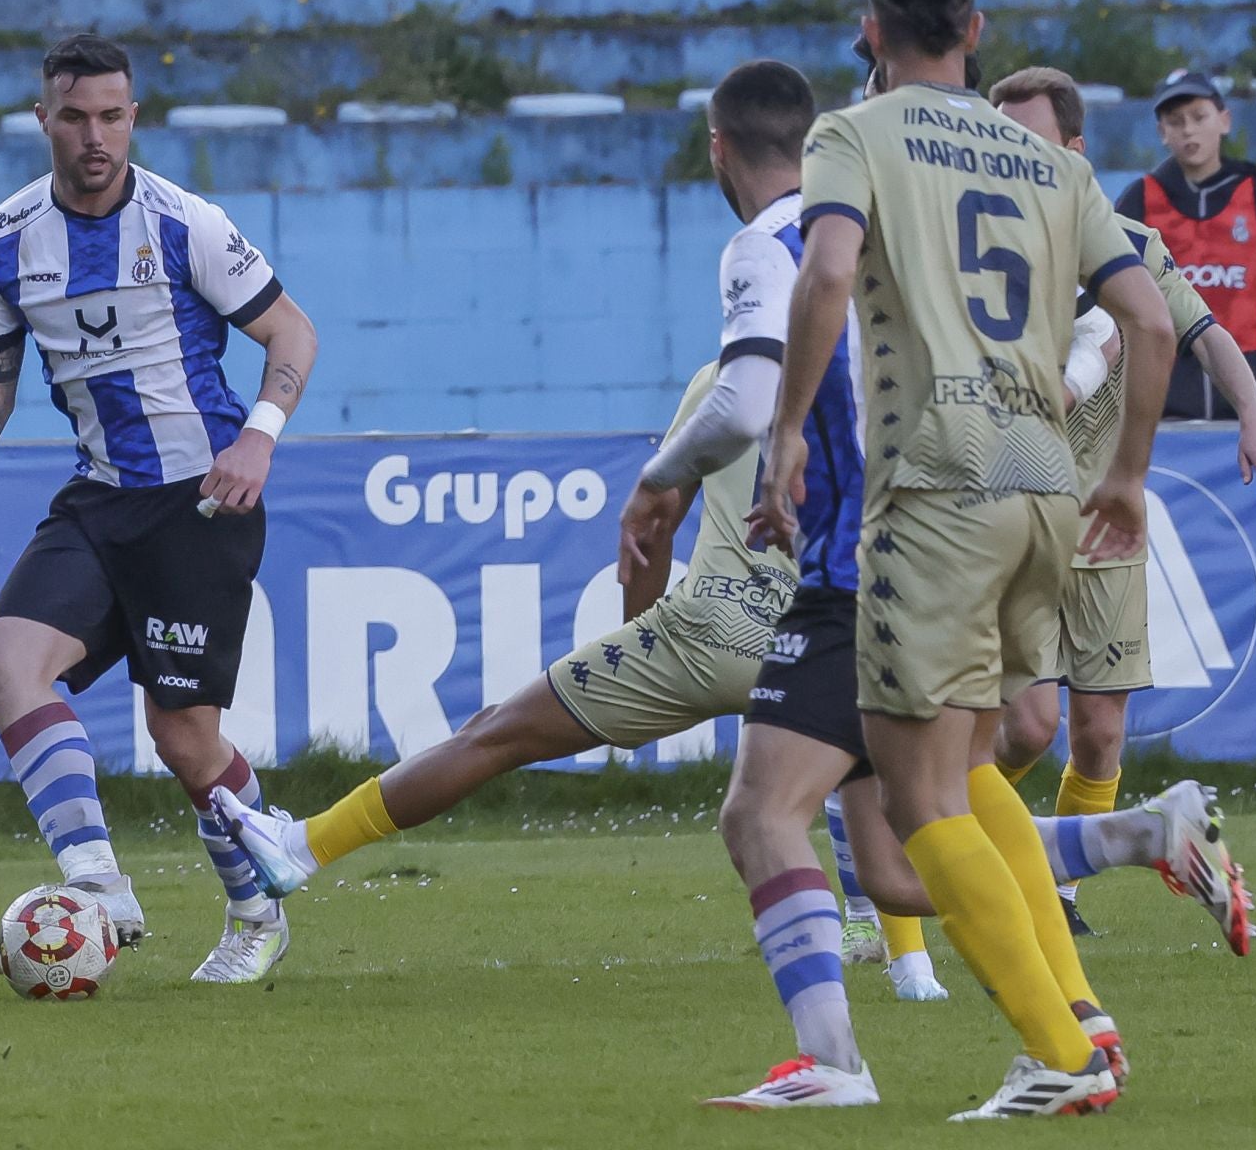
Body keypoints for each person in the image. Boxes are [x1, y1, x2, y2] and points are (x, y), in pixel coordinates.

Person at [209, 62, 825, 926]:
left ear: (716, 149)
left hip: (713, 630)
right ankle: (918, 957)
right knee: (914, 795)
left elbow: (653, 540)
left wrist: (639, 627)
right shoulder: (871, 301)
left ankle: (301, 846)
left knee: (494, 733)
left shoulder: (722, 378)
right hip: (834, 622)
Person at [753, 0, 1179, 1119]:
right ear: (977, 28)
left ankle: (1058, 1052)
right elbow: (1147, 319)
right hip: (1045, 477)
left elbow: (828, 269)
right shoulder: (1052, 160)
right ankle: (1082, 1011)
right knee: (975, 761)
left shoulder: (856, 130)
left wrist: (789, 429)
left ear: (868, 28)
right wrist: (1129, 471)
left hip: (935, 479)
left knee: (918, 793)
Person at [0, 33, 320, 985]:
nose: (96, 136)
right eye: (75, 116)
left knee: (184, 739)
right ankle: (99, 892)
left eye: (112, 116)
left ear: (134, 116)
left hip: (201, 499)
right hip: (98, 498)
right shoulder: (1, 243)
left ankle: (257, 910)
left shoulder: (184, 223)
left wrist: (260, 437)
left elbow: (291, 331)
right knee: (6, 668)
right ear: (43, 118)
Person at [990, 66, 1256, 942]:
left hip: (1108, 529)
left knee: (1099, 735)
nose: (1009, 160)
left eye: (1028, 143)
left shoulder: (1134, 249)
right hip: (1019, 525)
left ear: (1072, 153)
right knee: (1027, 727)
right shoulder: (986, 258)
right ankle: (940, 841)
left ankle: (1059, 887)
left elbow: (1206, 335)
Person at [1114, 70, 1256, 420]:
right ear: (1162, 133)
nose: (1188, 129)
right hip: (1159, 408)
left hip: (1247, 407)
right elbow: (1112, 290)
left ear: (1224, 120)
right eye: (1175, 121)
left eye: (1199, 117)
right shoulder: (1140, 200)